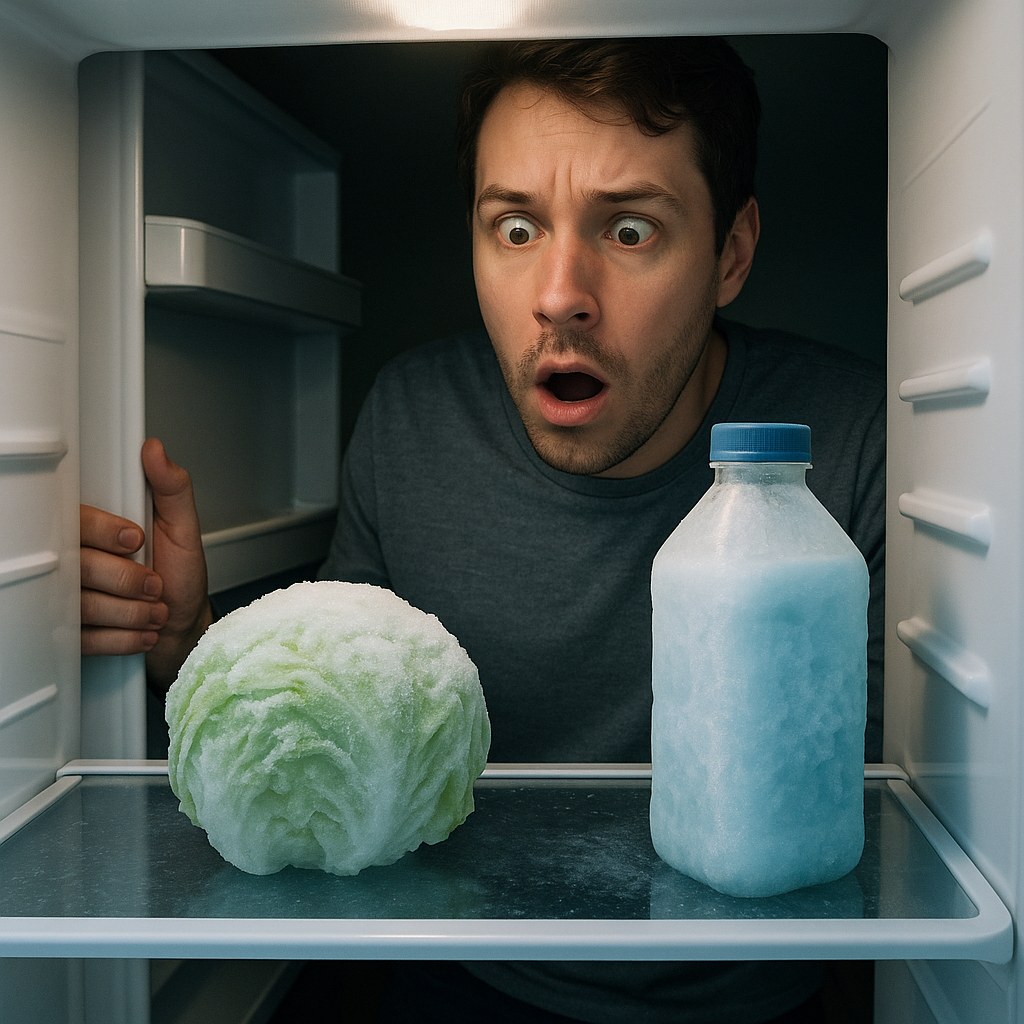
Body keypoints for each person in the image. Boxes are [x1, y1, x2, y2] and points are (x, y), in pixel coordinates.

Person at [81, 37, 884, 1024]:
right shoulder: (412, 419)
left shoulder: (854, 439)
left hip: (759, 994)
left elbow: (907, 813)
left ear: (730, 253)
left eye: (629, 230)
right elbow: (348, 718)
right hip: (463, 970)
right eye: (514, 228)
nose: (557, 295)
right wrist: (190, 646)